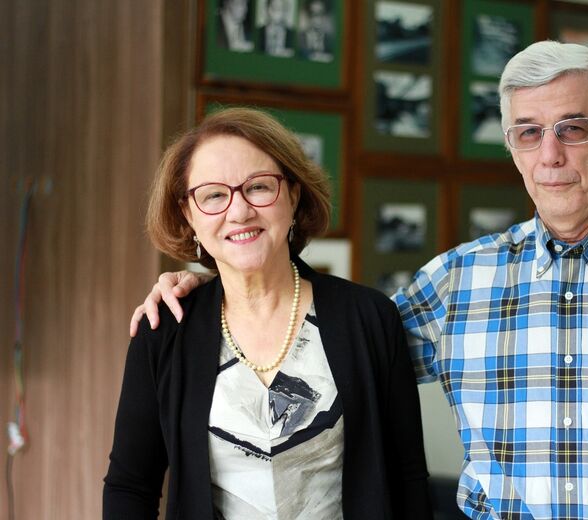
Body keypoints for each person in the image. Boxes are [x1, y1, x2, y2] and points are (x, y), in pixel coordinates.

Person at [130, 42, 588, 519]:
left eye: (572, 129)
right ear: (513, 149)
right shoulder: (458, 280)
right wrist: (209, 282)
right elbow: (333, 346)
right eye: (529, 132)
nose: (550, 154)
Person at [104, 107, 432, 519]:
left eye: (258, 187)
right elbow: (130, 487)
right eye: (213, 195)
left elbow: (408, 480)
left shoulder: (369, 318)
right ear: (188, 215)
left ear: (294, 196)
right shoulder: (165, 330)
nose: (238, 211)